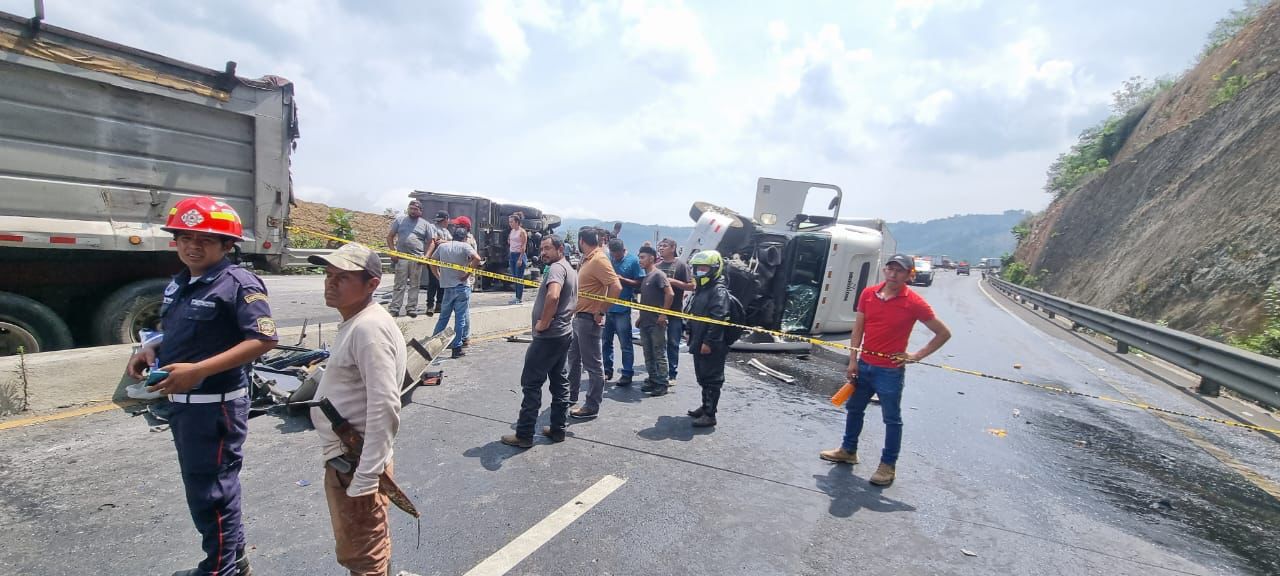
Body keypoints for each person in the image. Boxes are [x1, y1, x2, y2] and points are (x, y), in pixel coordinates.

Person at [125, 196, 278, 576]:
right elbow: (186, 329)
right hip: (185, 404)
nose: (193, 246)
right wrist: (151, 348)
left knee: (212, 494)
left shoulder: (238, 283)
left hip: (215, 406)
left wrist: (198, 370)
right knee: (208, 488)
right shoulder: (181, 282)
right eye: (185, 238)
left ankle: (219, 570)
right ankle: (233, 561)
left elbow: (263, 339)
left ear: (227, 246)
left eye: (205, 240)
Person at [306, 243, 407, 576]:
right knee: (367, 547)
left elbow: (385, 404)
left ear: (372, 284)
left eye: (343, 277)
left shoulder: (368, 328)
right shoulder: (358, 322)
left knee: (364, 556)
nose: (331, 283)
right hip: (353, 459)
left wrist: (366, 475)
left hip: (356, 461)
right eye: (328, 275)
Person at [819, 253, 951, 487]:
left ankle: (888, 466)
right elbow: (858, 329)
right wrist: (853, 360)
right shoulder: (868, 294)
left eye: (899, 271)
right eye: (890, 269)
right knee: (854, 408)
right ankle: (848, 451)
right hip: (864, 365)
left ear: (909, 275)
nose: (893, 274)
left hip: (890, 371)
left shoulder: (915, 303)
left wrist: (916, 356)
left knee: (891, 419)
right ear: (884, 271)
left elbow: (943, 333)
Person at [502, 235, 579, 448]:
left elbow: (553, 296)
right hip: (563, 334)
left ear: (560, 249)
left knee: (531, 384)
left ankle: (524, 434)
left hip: (548, 337)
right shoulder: (570, 269)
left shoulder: (556, 269)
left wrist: (544, 323)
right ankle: (558, 429)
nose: (543, 252)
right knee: (559, 382)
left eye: (548, 248)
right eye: (542, 248)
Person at [567, 227, 621, 420]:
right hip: (579, 317)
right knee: (573, 360)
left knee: (593, 365)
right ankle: (570, 396)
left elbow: (616, 287)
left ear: (581, 241)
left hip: (589, 318)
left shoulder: (599, 259)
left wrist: (601, 310)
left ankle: (591, 406)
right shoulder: (588, 259)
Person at [684, 250, 731, 428]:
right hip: (699, 338)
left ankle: (710, 414)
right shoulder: (702, 289)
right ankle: (705, 407)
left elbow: (719, 318)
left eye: (704, 268)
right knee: (703, 376)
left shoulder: (718, 291)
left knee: (712, 378)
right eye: (697, 268)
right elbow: (694, 312)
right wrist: (689, 330)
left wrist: (708, 342)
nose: (699, 272)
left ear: (714, 269)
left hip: (712, 344)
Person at [429, 225, 482, 358]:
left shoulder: (443, 247)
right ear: (464, 238)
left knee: (443, 318)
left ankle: (432, 346)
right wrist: (467, 273)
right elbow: (477, 258)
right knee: (460, 319)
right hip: (461, 287)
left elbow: (432, 262)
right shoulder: (465, 246)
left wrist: (438, 276)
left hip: (447, 287)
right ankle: (457, 348)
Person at [602, 238, 643, 385]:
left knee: (625, 343)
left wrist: (623, 280)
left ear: (623, 250)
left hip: (622, 309)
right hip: (608, 307)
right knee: (606, 341)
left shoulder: (633, 261)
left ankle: (627, 373)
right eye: (612, 254)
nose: (615, 257)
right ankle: (607, 370)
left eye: (617, 254)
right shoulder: (608, 259)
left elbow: (640, 283)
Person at [384, 199, 434, 317]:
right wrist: (393, 252)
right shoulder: (400, 220)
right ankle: (394, 308)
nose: (412, 211)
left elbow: (431, 242)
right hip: (401, 258)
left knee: (414, 285)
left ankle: (411, 308)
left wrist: (426, 257)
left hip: (417, 259)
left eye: (415, 209)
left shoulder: (425, 224)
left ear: (420, 211)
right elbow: (390, 237)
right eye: (411, 208)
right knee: (399, 285)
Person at [635, 246, 673, 396]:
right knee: (648, 353)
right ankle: (653, 379)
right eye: (639, 257)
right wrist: (640, 317)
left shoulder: (658, 275)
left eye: (642, 257)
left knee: (659, 353)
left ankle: (663, 383)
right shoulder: (646, 277)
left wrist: (663, 314)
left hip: (656, 323)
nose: (640, 260)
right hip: (645, 322)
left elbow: (670, 294)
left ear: (651, 258)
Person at [656, 238, 693, 384]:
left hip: (675, 312)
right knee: (658, 343)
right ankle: (659, 372)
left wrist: (674, 282)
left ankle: (672, 374)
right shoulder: (657, 266)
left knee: (673, 343)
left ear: (673, 248)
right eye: (660, 246)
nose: (661, 248)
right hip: (657, 311)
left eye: (664, 246)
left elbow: (691, 286)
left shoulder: (681, 266)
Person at [452, 215, 481, 347]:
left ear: (464, 227)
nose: (455, 227)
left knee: (463, 310)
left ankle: (465, 337)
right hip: (462, 276)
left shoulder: (467, 240)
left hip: (465, 278)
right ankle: (464, 336)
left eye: (457, 225)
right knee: (462, 309)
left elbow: (472, 258)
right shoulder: (464, 239)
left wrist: (466, 274)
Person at [421, 210, 451, 314]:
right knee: (433, 282)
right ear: (446, 219)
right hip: (434, 260)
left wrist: (444, 241)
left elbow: (452, 241)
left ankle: (439, 304)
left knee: (442, 283)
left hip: (444, 260)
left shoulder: (446, 231)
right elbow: (434, 241)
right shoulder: (433, 227)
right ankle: (430, 305)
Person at [507, 213, 529, 304]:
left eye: (511, 222)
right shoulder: (512, 231)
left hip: (519, 255)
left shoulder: (522, 232)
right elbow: (509, 240)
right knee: (515, 277)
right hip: (512, 255)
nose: (510, 224)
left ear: (517, 222)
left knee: (519, 277)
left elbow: (524, 246)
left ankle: (519, 298)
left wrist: (520, 259)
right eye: (509, 222)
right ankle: (516, 296)